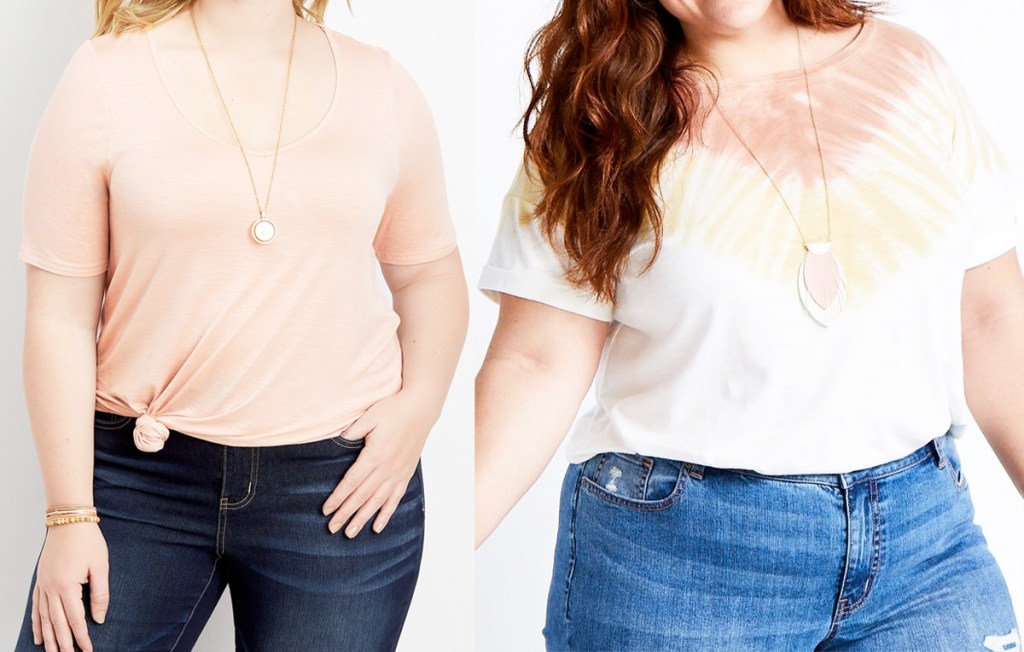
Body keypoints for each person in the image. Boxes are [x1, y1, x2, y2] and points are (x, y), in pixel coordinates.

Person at [475, 0, 1023, 648]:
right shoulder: (597, 117)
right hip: (673, 567)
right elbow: (537, 361)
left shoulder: (912, 71)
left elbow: (990, 318)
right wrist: (431, 548)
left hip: (923, 550)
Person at [15, 0, 467, 650]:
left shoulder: (381, 86)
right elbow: (59, 318)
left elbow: (431, 277)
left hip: (340, 486)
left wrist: (419, 408)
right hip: (138, 484)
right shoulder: (103, 77)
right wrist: (68, 513)